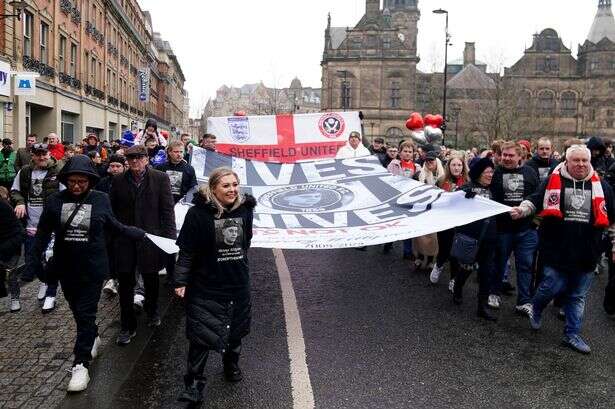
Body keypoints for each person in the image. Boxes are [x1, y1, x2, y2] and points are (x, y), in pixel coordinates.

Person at [29, 154, 145, 391]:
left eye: (82, 181)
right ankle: (92, 335)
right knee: (78, 311)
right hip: (65, 267)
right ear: (66, 180)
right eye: (72, 181)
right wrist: (34, 261)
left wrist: (135, 232)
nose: (77, 186)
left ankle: (80, 365)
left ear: (90, 181)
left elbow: (113, 225)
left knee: (85, 312)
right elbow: (42, 233)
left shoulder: (100, 199)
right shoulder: (54, 201)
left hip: (92, 267)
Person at [510, 145, 615, 354]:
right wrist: (522, 209)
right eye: (576, 160)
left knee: (577, 296)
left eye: (584, 160)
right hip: (556, 250)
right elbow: (535, 200)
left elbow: (612, 219)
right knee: (551, 287)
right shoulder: (553, 181)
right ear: (566, 162)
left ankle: (572, 334)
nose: (581, 164)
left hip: (587, 254)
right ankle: (537, 307)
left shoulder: (602, 186)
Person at [174, 167, 256, 404]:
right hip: (206, 284)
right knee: (201, 334)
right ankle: (193, 384)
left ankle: (231, 363)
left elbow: (246, 242)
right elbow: (187, 251)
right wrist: (180, 280)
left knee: (235, 329)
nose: (232, 190)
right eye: (226, 185)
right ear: (213, 189)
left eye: (235, 184)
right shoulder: (198, 215)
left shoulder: (246, 211)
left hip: (237, 282)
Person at [109, 145, 176, 345]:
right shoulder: (118, 180)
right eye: (131, 158)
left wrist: (169, 240)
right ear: (127, 161)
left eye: (139, 158)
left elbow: (167, 211)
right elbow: (112, 212)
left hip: (151, 239)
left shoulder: (160, 179)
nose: (135, 162)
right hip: (125, 240)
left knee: (151, 279)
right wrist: (115, 236)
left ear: (147, 159)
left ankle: (152, 310)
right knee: (126, 284)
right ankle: (127, 325)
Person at [11, 143, 63, 312]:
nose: (41, 157)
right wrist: (19, 202)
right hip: (31, 224)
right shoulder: (25, 171)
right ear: (32, 155)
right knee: (33, 259)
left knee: (51, 259)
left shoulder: (57, 172)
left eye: (44, 154)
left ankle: (51, 294)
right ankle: (45, 280)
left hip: (52, 225)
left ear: (49, 154)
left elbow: (66, 194)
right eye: (38, 154)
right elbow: (15, 190)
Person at [489, 141, 539, 314]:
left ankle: (524, 301)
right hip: (503, 229)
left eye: (511, 155)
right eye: (504, 155)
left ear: (520, 157)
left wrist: (534, 220)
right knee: (499, 263)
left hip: (526, 230)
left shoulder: (530, 173)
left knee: (526, 265)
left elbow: (537, 196)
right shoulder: (495, 173)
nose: (507, 158)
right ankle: (493, 292)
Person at [452, 158, 498, 321]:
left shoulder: (495, 189)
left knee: (487, 272)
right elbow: (453, 203)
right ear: (479, 173)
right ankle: (458, 286)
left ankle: (482, 306)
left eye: (492, 172)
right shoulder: (466, 188)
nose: (490, 175)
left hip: (489, 238)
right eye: (487, 172)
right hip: (471, 237)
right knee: (467, 267)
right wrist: (463, 195)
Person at [155, 141, 197, 283]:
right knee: (167, 239)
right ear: (169, 152)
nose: (179, 154)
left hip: (181, 209)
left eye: (181, 152)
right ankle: (169, 271)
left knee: (180, 239)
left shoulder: (189, 169)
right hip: (163, 208)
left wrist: (186, 201)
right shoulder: (160, 168)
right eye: (176, 152)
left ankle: (181, 271)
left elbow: (193, 188)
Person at [430, 153, 469, 289]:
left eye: (459, 165)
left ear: (463, 167)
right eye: (454, 165)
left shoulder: (468, 182)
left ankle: (454, 278)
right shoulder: (441, 181)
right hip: (445, 222)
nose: (456, 167)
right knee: (444, 249)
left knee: (456, 253)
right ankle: (439, 265)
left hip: (461, 223)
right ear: (449, 166)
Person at [96, 154, 127, 296]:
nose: (114, 169)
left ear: (123, 167)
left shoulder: (128, 181)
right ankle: (111, 278)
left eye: (118, 166)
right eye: (112, 166)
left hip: (123, 222)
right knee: (109, 251)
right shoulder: (102, 182)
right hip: (106, 223)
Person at [386, 141, 420, 258]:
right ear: (400, 153)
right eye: (405, 151)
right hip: (395, 199)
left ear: (413, 154)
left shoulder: (417, 167)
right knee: (393, 224)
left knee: (407, 225)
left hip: (410, 200)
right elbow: (387, 181)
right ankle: (388, 242)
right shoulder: (393, 164)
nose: (407, 154)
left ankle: (407, 251)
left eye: (410, 152)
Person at [0, 186, 25, 312]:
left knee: (10, 272)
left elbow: (18, 231)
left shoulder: (5, 208)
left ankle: (15, 298)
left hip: (11, 243)